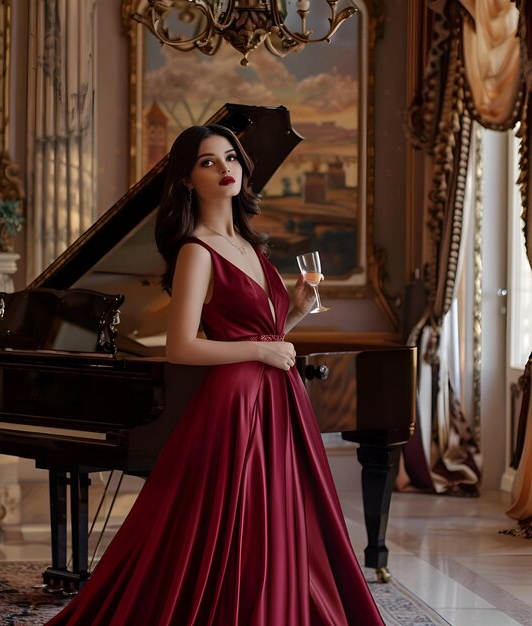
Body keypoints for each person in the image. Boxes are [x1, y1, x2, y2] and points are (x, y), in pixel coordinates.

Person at [45, 124, 385, 625]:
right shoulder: (195, 251)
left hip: (277, 397)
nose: (225, 169)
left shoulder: (252, 245)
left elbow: (262, 334)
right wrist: (262, 352)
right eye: (208, 162)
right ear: (187, 179)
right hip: (236, 406)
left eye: (231, 158)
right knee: (236, 524)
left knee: (278, 519)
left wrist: (294, 312)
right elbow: (182, 348)